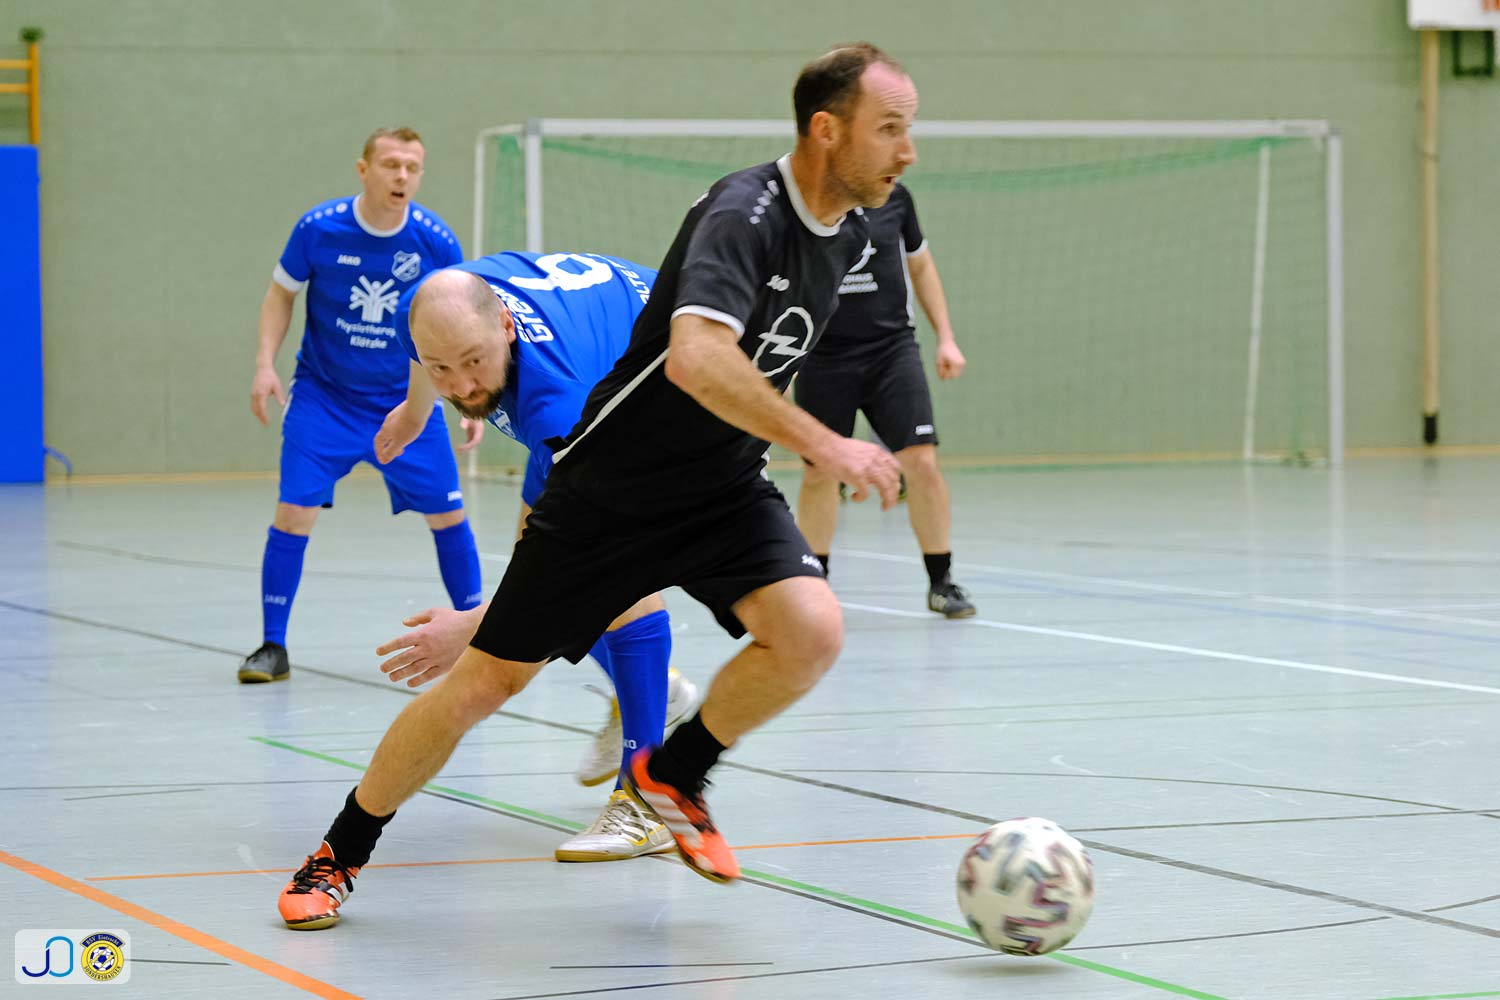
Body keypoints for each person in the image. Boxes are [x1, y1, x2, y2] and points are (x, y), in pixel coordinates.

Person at [274, 42, 913, 930]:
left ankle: (670, 775)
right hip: (616, 486)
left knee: (811, 631)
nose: (906, 150)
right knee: (484, 683)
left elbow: (455, 316)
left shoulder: (851, 232)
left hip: (723, 480)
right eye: (890, 128)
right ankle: (339, 851)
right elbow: (694, 359)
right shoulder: (741, 214)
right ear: (827, 129)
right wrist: (827, 445)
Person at [372, 252, 702, 862]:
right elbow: (425, 355)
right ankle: (658, 693)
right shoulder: (429, 314)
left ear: (504, 325)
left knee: (619, 576)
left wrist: (475, 630)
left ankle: (647, 798)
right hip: (594, 368)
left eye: (473, 363)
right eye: (444, 369)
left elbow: (572, 572)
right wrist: (418, 412)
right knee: (541, 545)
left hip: (679, 371)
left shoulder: (557, 407)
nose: (462, 387)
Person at [240, 127, 483, 684]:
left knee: (448, 514)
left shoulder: (435, 241)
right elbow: (281, 293)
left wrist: (468, 398)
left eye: (413, 168)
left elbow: (460, 324)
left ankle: (478, 639)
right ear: (364, 169)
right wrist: (263, 363)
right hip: (324, 397)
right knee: (293, 512)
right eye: (392, 164)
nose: (403, 176)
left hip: (408, 401)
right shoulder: (319, 228)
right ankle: (272, 645)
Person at [794, 183, 976, 617]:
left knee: (922, 461)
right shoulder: (805, 197)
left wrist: (946, 337)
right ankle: (815, 585)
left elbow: (921, 265)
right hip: (822, 355)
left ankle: (941, 582)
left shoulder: (896, 198)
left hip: (890, 350)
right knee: (819, 471)